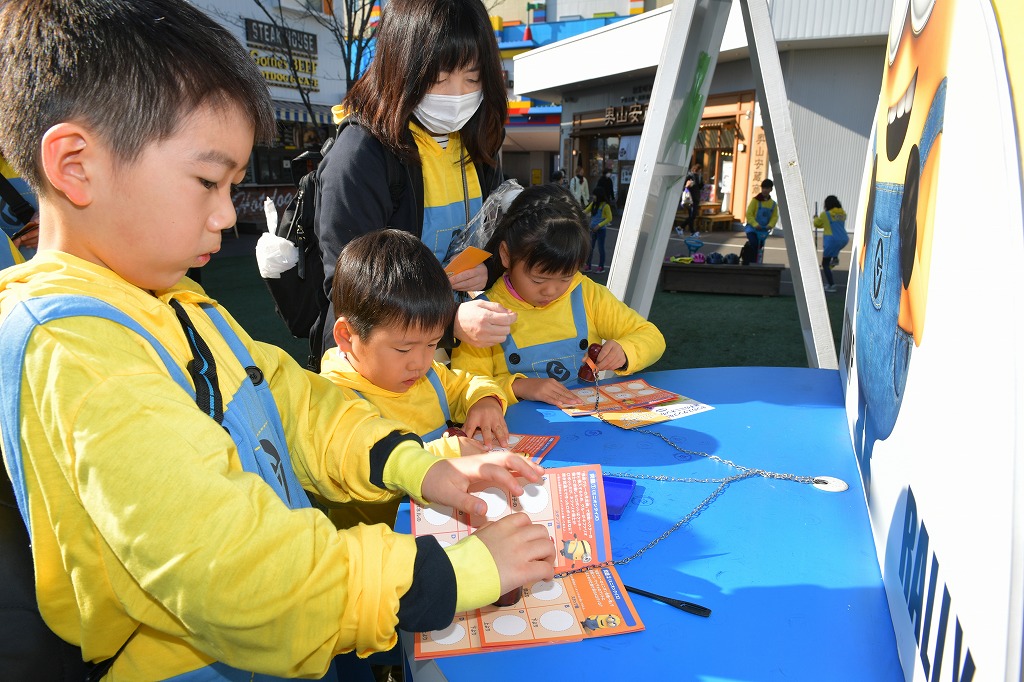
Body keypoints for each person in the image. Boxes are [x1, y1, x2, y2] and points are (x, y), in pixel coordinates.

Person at [0, 1, 556, 679]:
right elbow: (228, 567)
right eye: (208, 181)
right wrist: (453, 573)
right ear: (76, 164)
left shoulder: (173, 301)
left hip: (287, 633)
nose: (222, 216)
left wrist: (420, 467)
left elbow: (297, 405)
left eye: (231, 186)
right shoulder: (79, 348)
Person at [315, 0, 517, 366]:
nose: (457, 96)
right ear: (401, 68)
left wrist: (488, 269)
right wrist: (450, 322)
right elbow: (351, 288)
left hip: (459, 361)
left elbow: (496, 236)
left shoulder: (477, 142)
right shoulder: (361, 154)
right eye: (439, 79)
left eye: (472, 79)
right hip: (381, 368)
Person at [320, 229, 513, 529]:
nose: (420, 363)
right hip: (380, 543)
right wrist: (449, 452)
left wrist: (485, 400)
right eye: (403, 349)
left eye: (432, 344)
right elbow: (363, 461)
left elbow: (465, 384)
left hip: (442, 528)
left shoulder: (427, 376)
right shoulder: (334, 397)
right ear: (347, 336)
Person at [451, 184, 666, 407]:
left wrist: (625, 351)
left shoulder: (587, 294)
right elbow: (463, 388)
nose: (551, 291)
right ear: (506, 255)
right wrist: (518, 387)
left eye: (566, 278)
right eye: (538, 280)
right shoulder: (482, 315)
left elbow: (651, 336)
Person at [813, 195, 849, 293]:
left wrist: (815, 218)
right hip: (844, 239)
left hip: (832, 240)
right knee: (834, 252)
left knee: (825, 263)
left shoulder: (826, 214)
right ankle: (835, 258)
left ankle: (831, 285)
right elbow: (828, 224)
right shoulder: (842, 214)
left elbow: (817, 224)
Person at [742, 178, 779, 264]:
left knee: (760, 246)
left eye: (767, 188)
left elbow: (774, 217)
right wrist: (755, 224)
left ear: (771, 189)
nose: (764, 190)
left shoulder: (773, 204)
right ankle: (751, 263)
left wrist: (770, 225)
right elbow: (749, 214)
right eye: (763, 188)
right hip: (752, 229)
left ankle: (755, 263)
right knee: (754, 243)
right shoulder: (755, 200)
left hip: (763, 230)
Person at [583, 186, 613, 274]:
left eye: (594, 195)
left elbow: (609, 218)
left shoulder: (605, 206)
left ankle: (601, 267)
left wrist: (599, 225)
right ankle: (588, 265)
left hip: (601, 230)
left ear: (599, 196)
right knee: (590, 248)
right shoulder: (593, 204)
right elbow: (586, 211)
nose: (593, 197)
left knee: (601, 249)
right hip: (592, 230)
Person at [681, 162, 704, 236]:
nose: (700, 172)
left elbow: (700, 187)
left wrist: (701, 182)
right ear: (696, 170)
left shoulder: (699, 177)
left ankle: (683, 228)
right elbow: (684, 186)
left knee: (692, 215)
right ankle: (690, 230)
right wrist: (687, 185)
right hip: (690, 198)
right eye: (699, 170)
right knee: (692, 215)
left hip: (696, 198)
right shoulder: (690, 176)